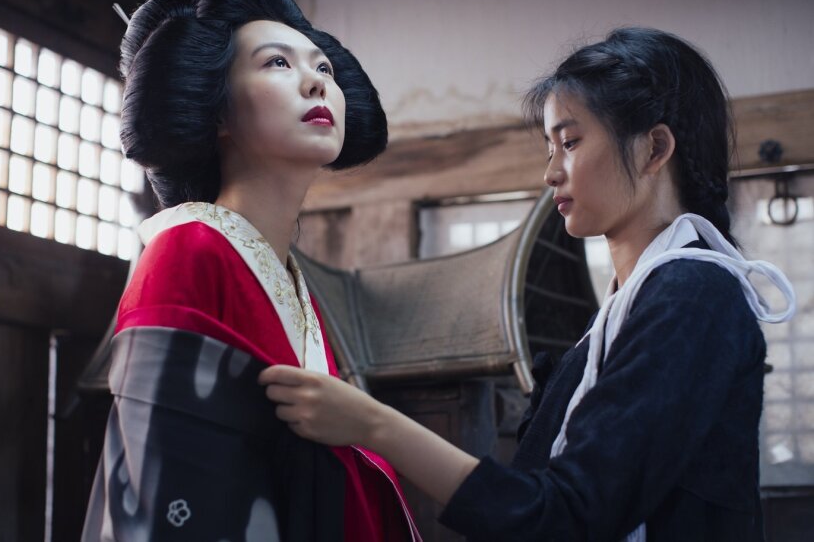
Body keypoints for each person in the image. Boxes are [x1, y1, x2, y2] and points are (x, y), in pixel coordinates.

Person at [260, 27, 796, 541]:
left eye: (571, 142)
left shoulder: (694, 295)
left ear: (654, 149)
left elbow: (567, 515)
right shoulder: (630, 308)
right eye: (549, 148)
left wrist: (373, 424)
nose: (551, 173)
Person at [82, 0, 418, 541]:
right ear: (216, 111)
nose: (316, 81)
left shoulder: (286, 276)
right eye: (277, 63)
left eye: (324, 68)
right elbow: (166, 487)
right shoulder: (186, 249)